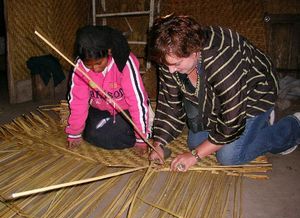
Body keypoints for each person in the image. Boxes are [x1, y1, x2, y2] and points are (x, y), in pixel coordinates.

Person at [148, 14, 300, 172]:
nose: (170, 70)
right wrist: (158, 143)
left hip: (255, 93)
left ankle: (292, 127)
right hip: (217, 99)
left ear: (194, 51)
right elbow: (169, 104)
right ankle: (259, 124)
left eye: (177, 64)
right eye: (167, 65)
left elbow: (231, 119)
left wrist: (195, 156)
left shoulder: (222, 57)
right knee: (196, 143)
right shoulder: (169, 57)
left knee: (229, 156)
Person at [66, 25, 153, 153]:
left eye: (98, 63)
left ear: (109, 52)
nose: (94, 69)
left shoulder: (124, 63)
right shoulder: (79, 66)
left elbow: (136, 101)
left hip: (126, 110)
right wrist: (74, 133)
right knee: (92, 134)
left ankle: (148, 127)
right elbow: (78, 101)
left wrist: (141, 138)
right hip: (102, 109)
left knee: (117, 135)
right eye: (88, 65)